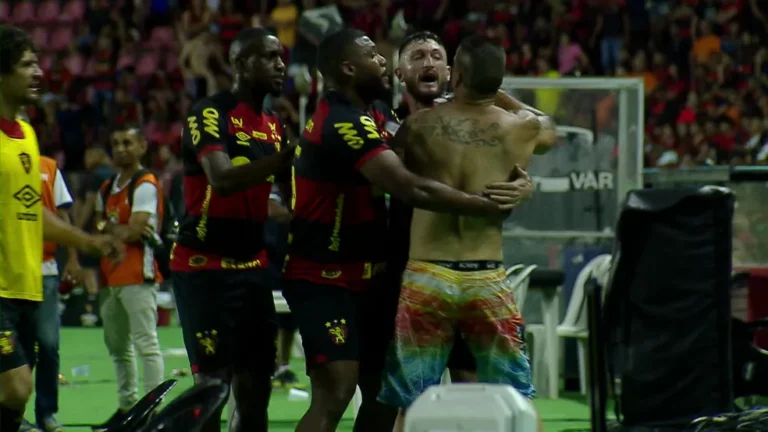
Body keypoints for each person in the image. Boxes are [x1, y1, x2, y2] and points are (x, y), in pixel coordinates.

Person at [281, 28, 517, 432]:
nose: (382, 61)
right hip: (324, 277)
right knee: (337, 392)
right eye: (373, 55)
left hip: (375, 279)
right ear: (348, 67)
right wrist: (487, 205)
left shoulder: (380, 118)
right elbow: (411, 187)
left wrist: (518, 180)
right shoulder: (344, 122)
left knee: (383, 394)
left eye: (437, 56)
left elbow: (525, 135)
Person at [377, 35, 557, 426]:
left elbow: (389, 173)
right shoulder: (520, 128)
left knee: (414, 400)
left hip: (426, 274)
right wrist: (497, 91)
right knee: (514, 400)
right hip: (486, 276)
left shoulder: (416, 125)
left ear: (454, 74)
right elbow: (548, 127)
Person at [0, 24, 125, 432]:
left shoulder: (28, 137)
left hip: (27, 284)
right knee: (16, 388)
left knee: (17, 398)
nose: (38, 73)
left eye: (38, 63)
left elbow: (32, 212)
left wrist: (89, 241)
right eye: (26, 65)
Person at [170, 27, 294, 432]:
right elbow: (221, 179)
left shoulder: (274, 123)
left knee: (256, 390)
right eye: (269, 57)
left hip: (252, 270)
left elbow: (266, 196)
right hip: (205, 269)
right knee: (213, 389)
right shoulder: (210, 111)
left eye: (281, 56)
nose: (280, 64)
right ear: (241, 64)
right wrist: (282, 161)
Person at [91, 124, 167, 425]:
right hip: (110, 276)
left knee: (146, 344)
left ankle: (152, 412)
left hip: (138, 274)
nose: (121, 148)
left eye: (128, 143)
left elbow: (136, 230)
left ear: (141, 147)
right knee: (118, 347)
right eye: (116, 143)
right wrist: (116, 230)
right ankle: (127, 408)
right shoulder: (107, 187)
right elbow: (100, 225)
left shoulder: (145, 183)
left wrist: (108, 229)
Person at [19, 156, 80, 432]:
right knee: (14, 347)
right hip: (9, 272)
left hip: (45, 269)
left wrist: (73, 259)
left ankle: (46, 414)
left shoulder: (49, 167)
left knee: (48, 344)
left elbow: (63, 217)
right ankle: (13, 415)